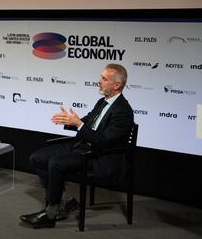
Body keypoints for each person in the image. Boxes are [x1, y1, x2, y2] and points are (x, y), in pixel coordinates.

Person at [20, 63, 134, 228]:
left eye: (104, 78)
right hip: (83, 146)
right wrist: (70, 122)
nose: (99, 81)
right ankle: (67, 200)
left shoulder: (123, 111)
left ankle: (51, 213)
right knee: (37, 158)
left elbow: (103, 141)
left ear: (117, 85)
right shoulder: (103, 102)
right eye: (100, 77)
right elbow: (87, 122)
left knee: (56, 163)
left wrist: (79, 125)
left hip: (101, 156)